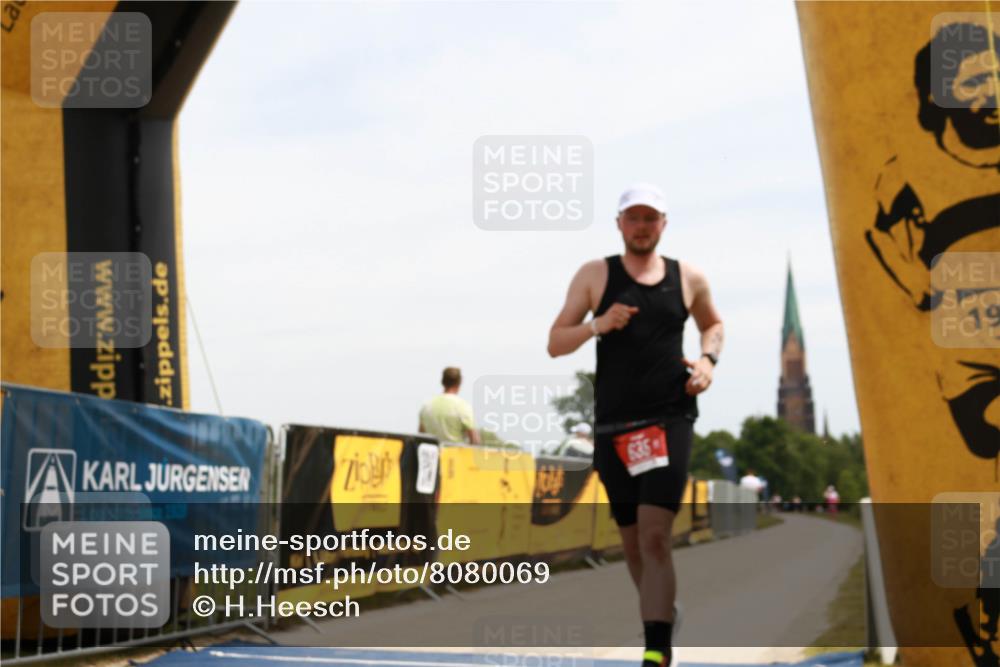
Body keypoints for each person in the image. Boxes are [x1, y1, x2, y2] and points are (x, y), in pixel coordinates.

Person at [547, 183, 724, 667]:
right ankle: (663, 613)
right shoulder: (595, 275)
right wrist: (596, 325)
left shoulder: (687, 277)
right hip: (613, 426)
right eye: (634, 218)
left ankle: (656, 651)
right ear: (619, 223)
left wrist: (707, 361)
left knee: (653, 535)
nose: (642, 226)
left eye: (651, 218)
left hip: (669, 418)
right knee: (631, 542)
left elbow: (714, 324)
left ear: (664, 224)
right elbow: (555, 342)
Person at [418, 367, 480, 445]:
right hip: (455, 455)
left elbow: (421, 436)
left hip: (432, 455)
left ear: (442, 382)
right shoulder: (463, 407)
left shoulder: (426, 407)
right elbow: (474, 440)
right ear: (459, 383)